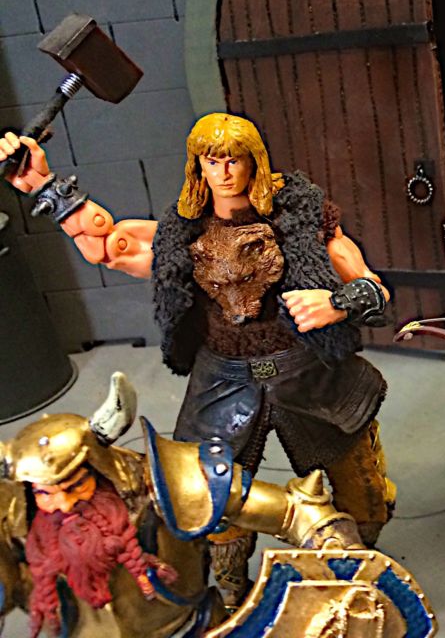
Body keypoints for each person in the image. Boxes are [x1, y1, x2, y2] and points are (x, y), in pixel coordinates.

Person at [0, 113, 395, 603]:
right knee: (212, 496)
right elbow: (107, 245)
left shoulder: (302, 220)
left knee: (361, 491)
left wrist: (337, 302)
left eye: (234, 160)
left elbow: (374, 290)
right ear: (198, 166)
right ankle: (232, 592)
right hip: (224, 379)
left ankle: (362, 567)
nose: (224, 171)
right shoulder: (183, 232)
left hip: (306, 369)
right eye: (212, 161)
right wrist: (43, 183)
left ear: (254, 161)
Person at [0, 373, 433, 638]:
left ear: (100, 466)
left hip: (184, 629)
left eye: (75, 485)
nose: (62, 503)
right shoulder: (15, 520)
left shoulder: (165, 480)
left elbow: (290, 509)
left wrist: (332, 543)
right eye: (45, 493)